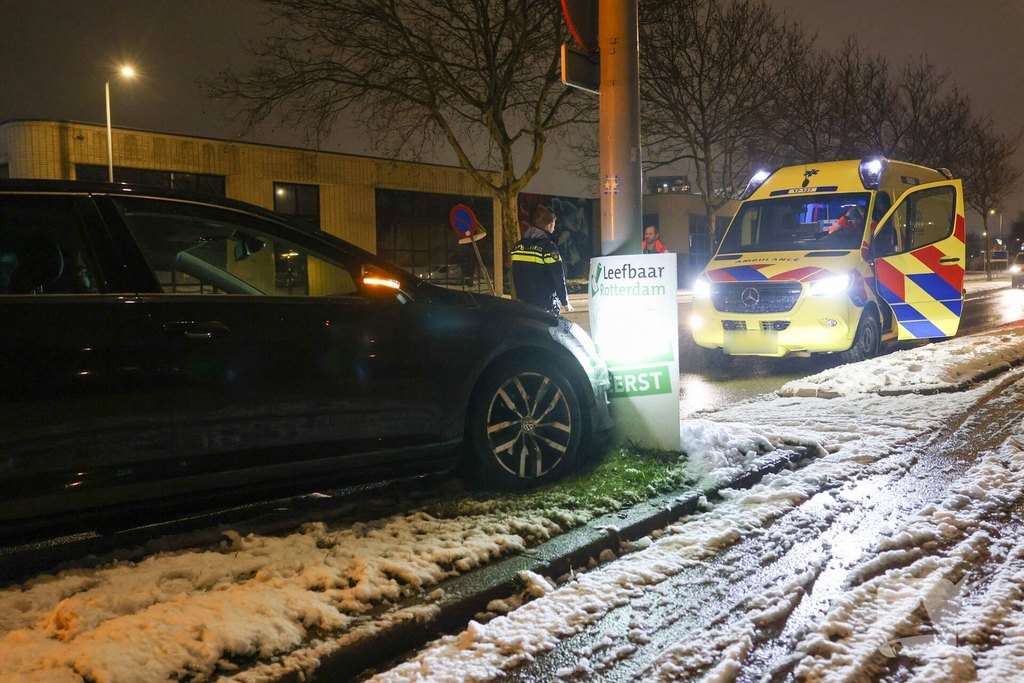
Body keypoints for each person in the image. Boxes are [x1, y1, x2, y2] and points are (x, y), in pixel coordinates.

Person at [510, 206, 573, 315]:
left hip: (524, 301)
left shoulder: (518, 246)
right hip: (546, 302)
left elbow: (515, 273)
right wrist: (565, 301)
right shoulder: (548, 248)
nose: (554, 229)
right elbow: (558, 276)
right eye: (553, 226)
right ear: (548, 226)